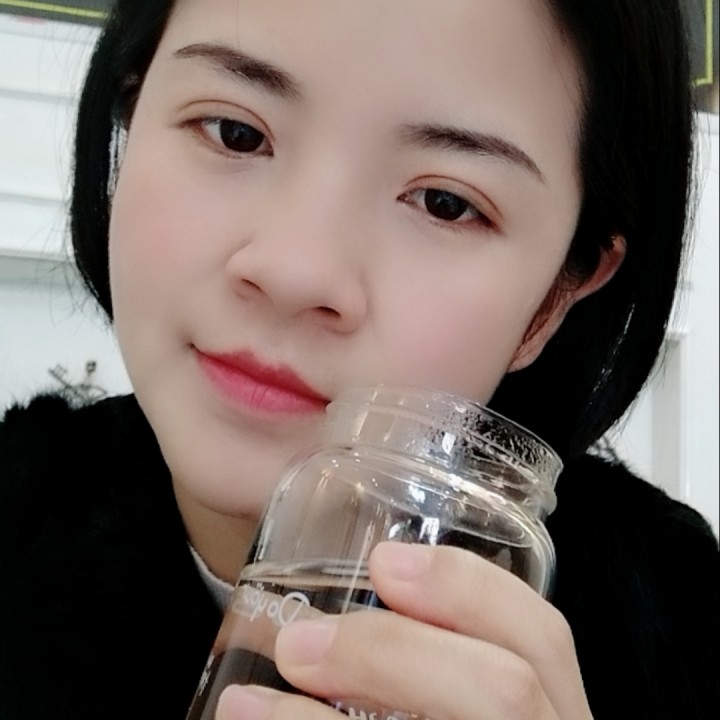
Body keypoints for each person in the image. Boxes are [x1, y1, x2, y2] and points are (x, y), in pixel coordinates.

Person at [0, 0, 717, 718]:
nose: (294, 272)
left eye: (444, 203)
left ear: (555, 297)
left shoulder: (683, 632)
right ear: (132, 112)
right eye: (236, 133)